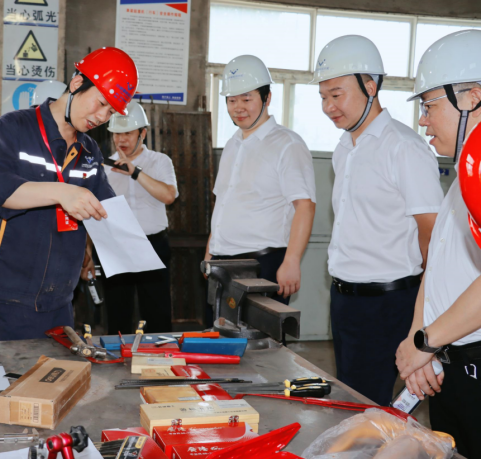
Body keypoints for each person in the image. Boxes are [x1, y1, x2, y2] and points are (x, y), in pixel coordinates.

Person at [313, 35, 443, 406]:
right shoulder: (345, 148)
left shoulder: (404, 147)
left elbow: (432, 234)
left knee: (372, 410)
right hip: (344, 300)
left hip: (388, 304)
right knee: (352, 402)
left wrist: (426, 317)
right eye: (322, 97)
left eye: (337, 94)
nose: (328, 107)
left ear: (370, 86)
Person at [0, 47, 138, 341]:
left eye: (111, 112)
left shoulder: (89, 150)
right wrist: (62, 192)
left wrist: (134, 245)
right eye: (102, 103)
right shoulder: (14, 128)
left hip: (61, 298)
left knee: (58, 369)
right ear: (76, 84)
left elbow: (106, 207)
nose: (102, 117)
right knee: (15, 371)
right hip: (10, 294)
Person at [394, 29, 481, 459]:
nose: (423, 121)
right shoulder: (465, 173)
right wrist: (420, 340)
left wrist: (426, 342)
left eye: (429, 106)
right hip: (450, 354)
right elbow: (438, 266)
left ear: (472, 98)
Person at [205, 55, 316, 305]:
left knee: (260, 332)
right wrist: (210, 254)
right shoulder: (233, 144)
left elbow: (305, 206)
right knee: (219, 330)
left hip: (262, 264)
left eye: (247, 99)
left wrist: (291, 260)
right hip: (222, 263)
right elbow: (223, 203)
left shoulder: (287, 144)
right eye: (231, 100)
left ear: (267, 98)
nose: (238, 107)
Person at [97, 100, 178, 334]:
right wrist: (89, 253)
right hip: (116, 245)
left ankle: (160, 355)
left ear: (142, 133)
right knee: (117, 314)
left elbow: (169, 196)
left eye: (128, 133)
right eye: (117, 133)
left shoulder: (160, 161)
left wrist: (135, 172)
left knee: (157, 313)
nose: (121, 139)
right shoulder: (104, 168)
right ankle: (118, 356)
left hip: (153, 243)